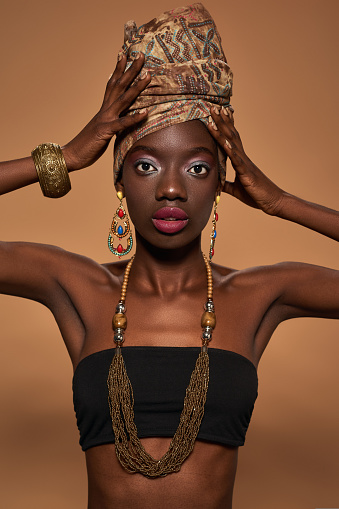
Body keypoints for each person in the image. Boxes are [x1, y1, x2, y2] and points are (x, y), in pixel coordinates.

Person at [0, 3, 338, 508]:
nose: (173, 188)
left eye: (199, 169)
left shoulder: (261, 294)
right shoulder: (77, 286)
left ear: (222, 181)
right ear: (119, 179)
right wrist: (63, 158)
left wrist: (281, 202)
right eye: (146, 166)